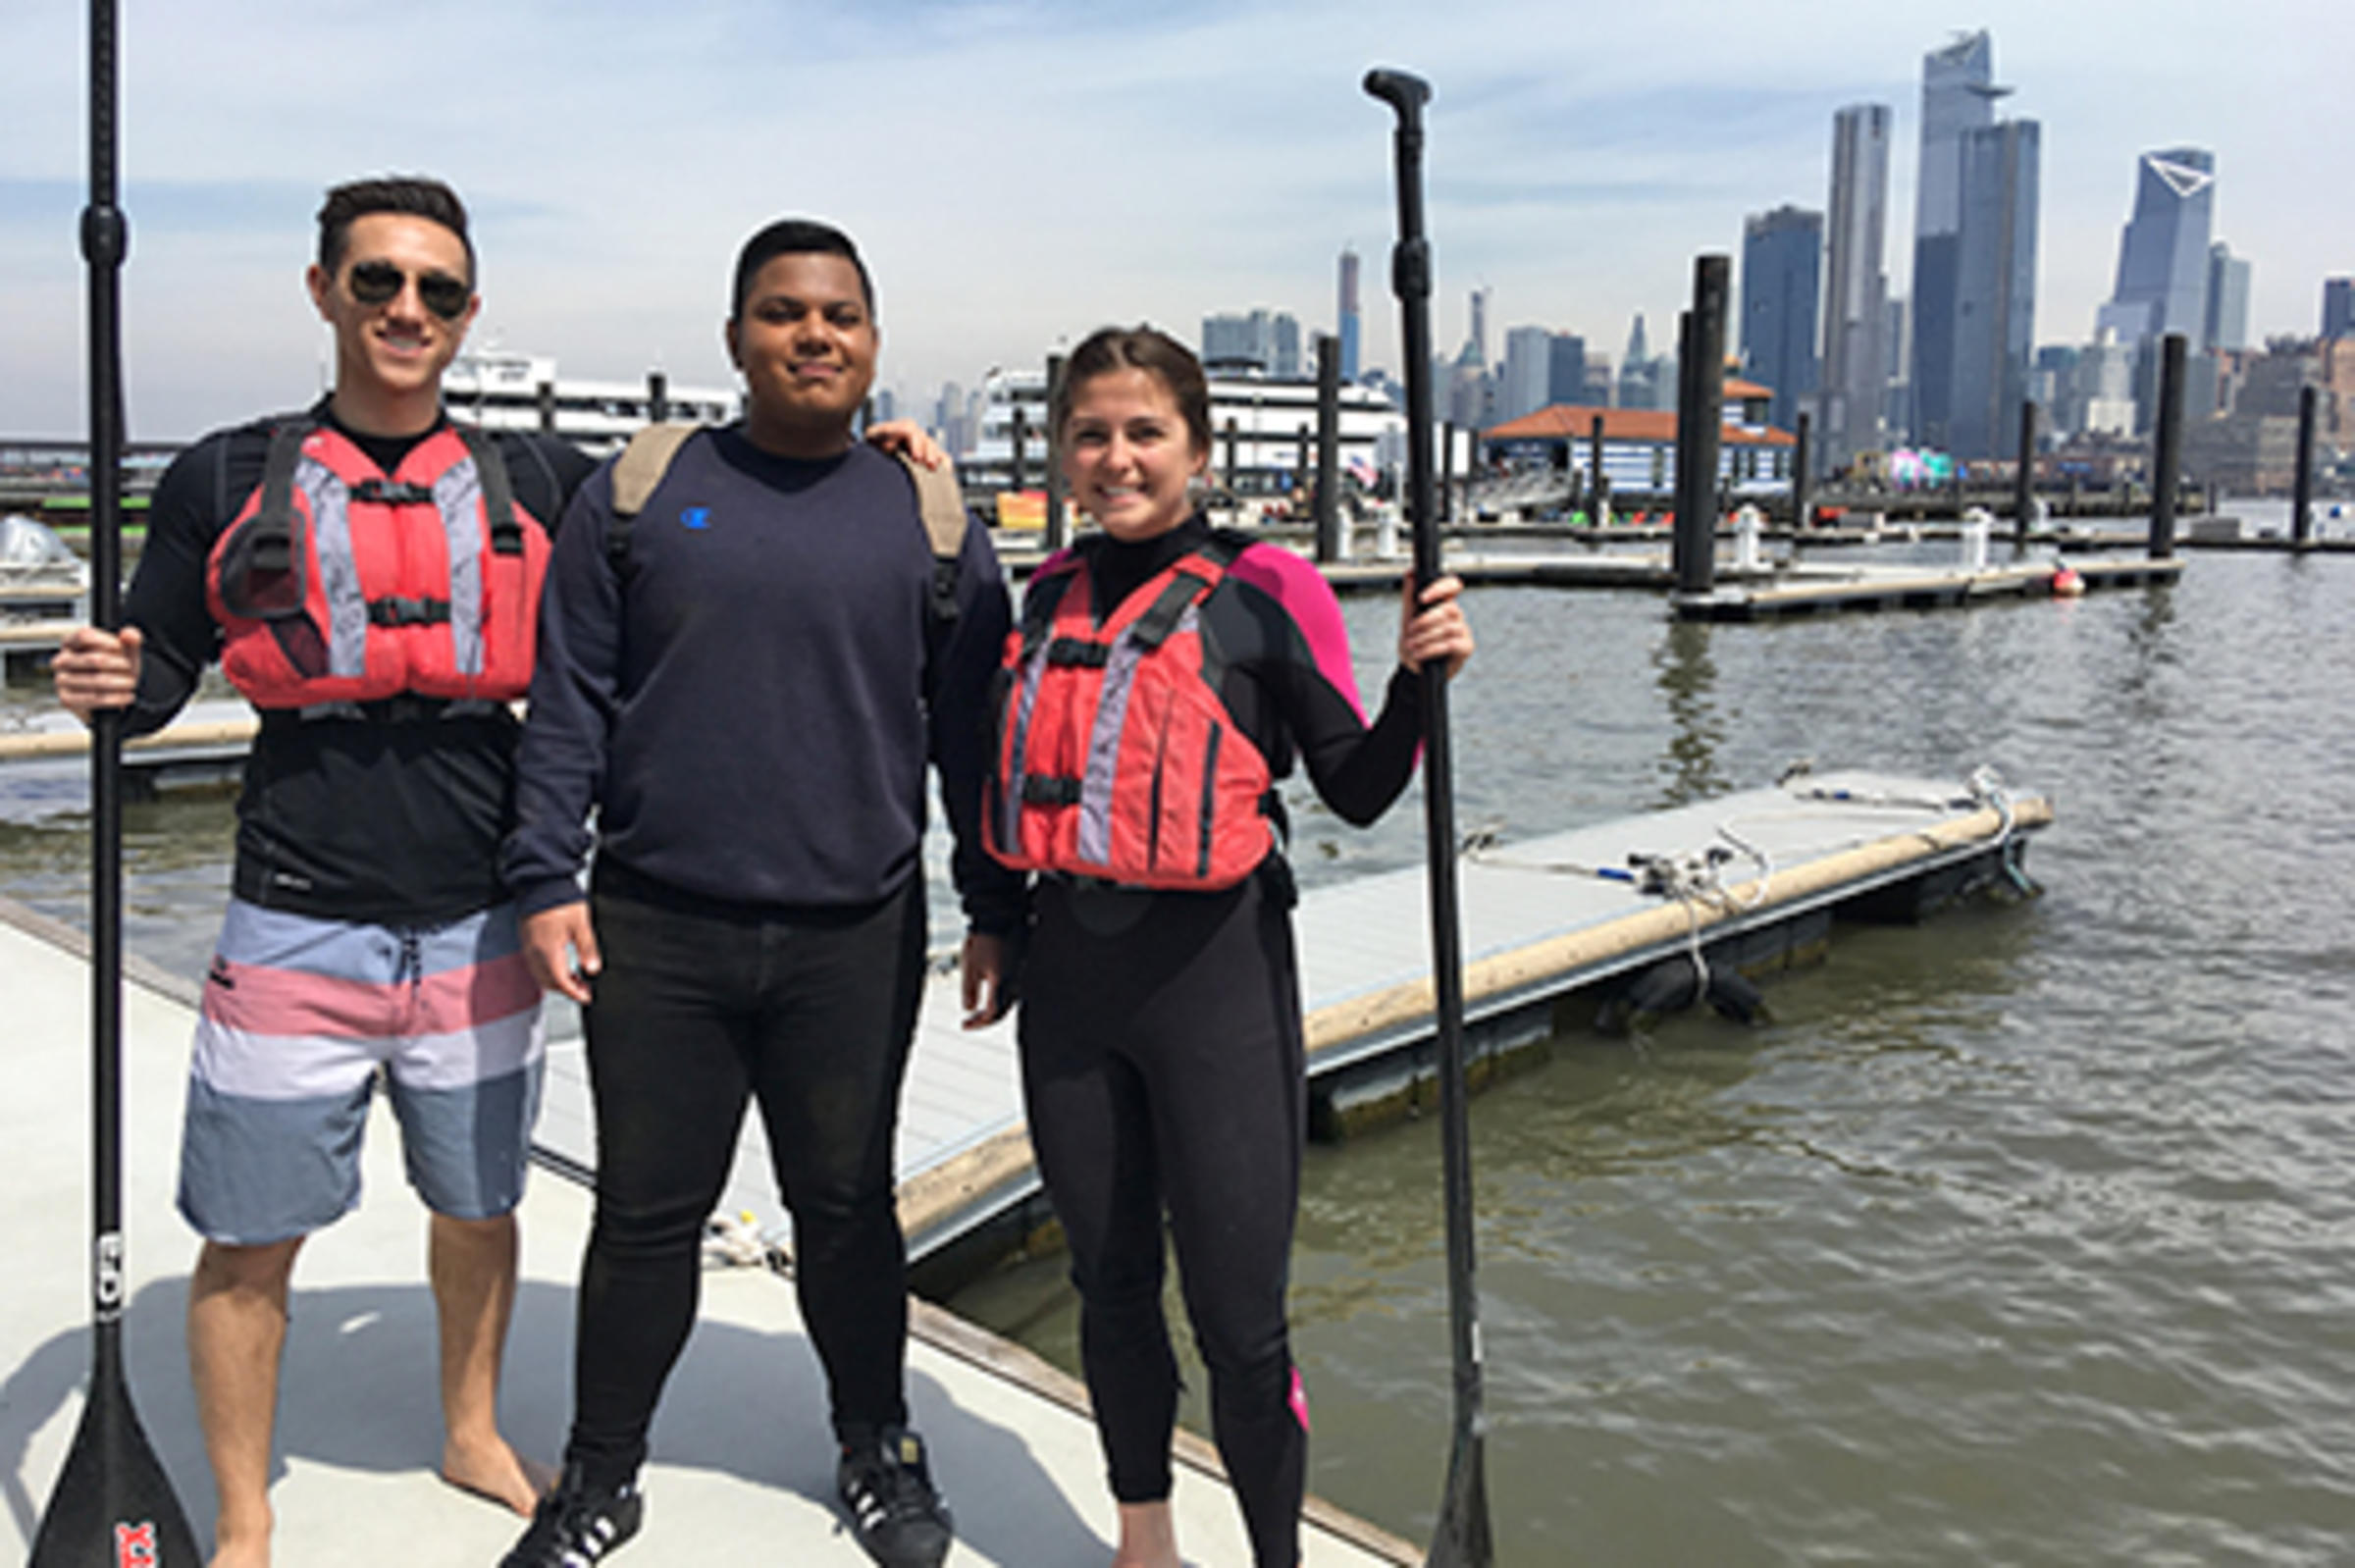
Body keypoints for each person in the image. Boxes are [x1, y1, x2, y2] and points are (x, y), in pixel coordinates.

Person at [51, 176, 596, 1568]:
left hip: (481, 917)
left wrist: (885, 467)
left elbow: (700, 526)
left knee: (479, 1202)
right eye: (378, 281)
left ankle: (470, 1429)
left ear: (468, 311)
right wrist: (114, 678)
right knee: (250, 1236)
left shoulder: (542, 480)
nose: (408, 309)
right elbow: (158, 668)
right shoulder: (224, 475)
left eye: (438, 289)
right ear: (324, 291)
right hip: (292, 920)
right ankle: (246, 1514)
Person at [497, 217, 1020, 1568]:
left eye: (840, 314)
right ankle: (599, 1473)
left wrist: (998, 903)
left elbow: (974, 738)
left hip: (857, 929)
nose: (813, 335)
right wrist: (546, 872)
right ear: (735, 337)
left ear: (875, 342)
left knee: (846, 1206)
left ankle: (878, 1446)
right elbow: (570, 698)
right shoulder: (642, 490)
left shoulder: (928, 517)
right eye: (784, 312)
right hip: (659, 920)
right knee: (643, 1212)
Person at [981, 325, 1472, 1568]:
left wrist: (1418, 682)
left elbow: (1357, 788)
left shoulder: (1266, 590)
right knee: (1108, 1283)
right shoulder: (1043, 595)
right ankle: (1143, 1539)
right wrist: (992, 919)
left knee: (1240, 1322)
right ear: (1063, 452)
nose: (1116, 457)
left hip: (1218, 985)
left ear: (1198, 449)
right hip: (1070, 981)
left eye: (1145, 432)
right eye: (1090, 433)